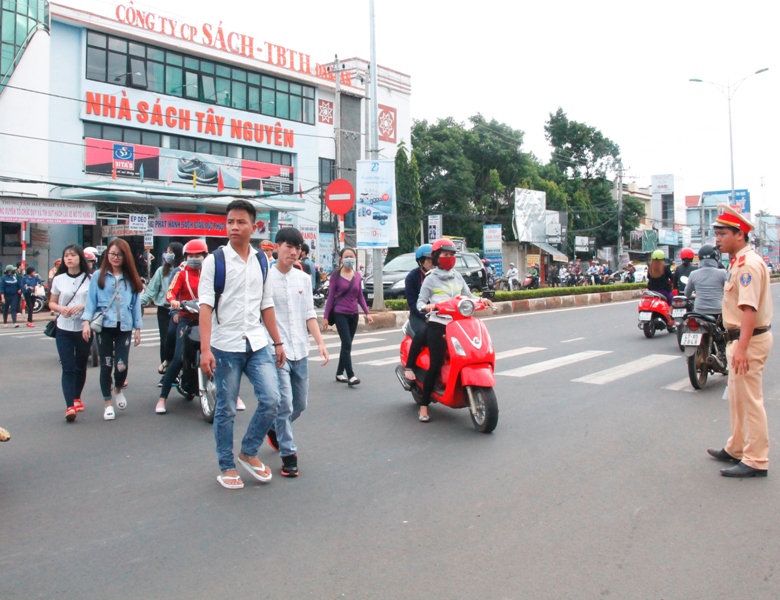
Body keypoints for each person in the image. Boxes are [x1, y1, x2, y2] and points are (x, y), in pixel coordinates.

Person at [199, 199, 287, 490]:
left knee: (272, 399)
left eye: (240, 222)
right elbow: (206, 306)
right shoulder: (215, 260)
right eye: (230, 222)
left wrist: (277, 342)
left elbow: (267, 304)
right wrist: (206, 348)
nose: (234, 227)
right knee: (226, 409)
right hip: (225, 346)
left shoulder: (262, 260)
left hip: (257, 342)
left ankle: (248, 451)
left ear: (253, 226)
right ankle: (226, 465)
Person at [707, 204, 773, 478]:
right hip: (741, 340)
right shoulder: (738, 262)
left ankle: (756, 459)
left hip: (750, 341)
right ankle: (736, 447)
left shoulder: (748, 265)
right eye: (717, 233)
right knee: (737, 398)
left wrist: (742, 348)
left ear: (740, 235)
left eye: (722, 233)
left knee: (750, 401)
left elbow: (749, 310)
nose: (717, 239)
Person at [265, 227, 329, 477]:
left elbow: (309, 314)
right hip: (275, 350)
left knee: (300, 404)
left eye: (297, 248)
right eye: (288, 247)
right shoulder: (265, 277)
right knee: (284, 404)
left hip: (300, 350)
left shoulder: (303, 278)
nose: (293, 252)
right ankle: (288, 454)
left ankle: (274, 429)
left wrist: (321, 343)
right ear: (276, 248)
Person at [416, 239, 494, 422]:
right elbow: (420, 302)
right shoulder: (430, 278)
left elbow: (468, 296)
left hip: (460, 323)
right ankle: (424, 406)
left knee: (472, 353)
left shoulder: (457, 276)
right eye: (445, 255)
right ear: (436, 257)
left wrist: (483, 300)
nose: (449, 258)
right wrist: (429, 307)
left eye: (451, 255)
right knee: (436, 364)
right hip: (438, 324)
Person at [81, 238, 144, 421]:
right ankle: (107, 403)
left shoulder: (130, 278)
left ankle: (117, 389)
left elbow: (135, 304)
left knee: (122, 365)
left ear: (126, 257)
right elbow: (90, 302)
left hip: (124, 327)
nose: (115, 258)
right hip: (104, 327)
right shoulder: (98, 276)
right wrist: (86, 322)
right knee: (106, 365)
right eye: (112, 254)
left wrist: (138, 328)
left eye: (119, 254)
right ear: (107, 255)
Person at [154, 240, 208, 414]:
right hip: (185, 318)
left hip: (206, 318)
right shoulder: (181, 273)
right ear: (185, 257)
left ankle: (233, 396)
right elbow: (170, 292)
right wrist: (174, 302)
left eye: (198, 256)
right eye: (191, 256)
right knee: (178, 358)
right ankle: (162, 398)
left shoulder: (210, 272)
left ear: (204, 257)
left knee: (221, 355)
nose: (194, 259)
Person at [49, 245, 92, 422]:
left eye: (73, 255)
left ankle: (76, 397)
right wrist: (61, 308)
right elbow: (51, 303)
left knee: (81, 365)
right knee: (67, 367)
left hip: (83, 328)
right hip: (63, 327)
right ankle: (69, 406)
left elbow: (96, 302)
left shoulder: (91, 279)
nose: (69, 258)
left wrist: (82, 307)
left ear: (80, 258)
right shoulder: (58, 279)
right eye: (66, 255)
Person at [322, 247, 373, 385]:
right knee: (346, 343)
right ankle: (351, 375)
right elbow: (331, 297)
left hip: (353, 314)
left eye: (352, 256)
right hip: (340, 313)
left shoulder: (357, 275)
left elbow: (360, 296)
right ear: (341, 259)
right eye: (346, 256)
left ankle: (339, 373)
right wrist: (326, 317)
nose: (349, 259)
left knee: (347, 345)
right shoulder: (336, 276)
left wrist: (367, 313)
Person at [140, 242, 183, 376]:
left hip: (183, 311)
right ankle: (166, 372)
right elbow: (151, 291)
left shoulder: (183, 270)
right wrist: (138, 303)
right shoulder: (161, 271)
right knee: (166, 340)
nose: (167, 255)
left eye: (170, 252)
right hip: (165, 310)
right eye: (166, 252)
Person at [403, 244, 433, 381]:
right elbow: (412, 303)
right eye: (427, 259)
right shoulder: (412, 277)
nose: (431, 262)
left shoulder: (440, 275)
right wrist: (424, 316)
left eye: (433, 259)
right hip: (419, 316)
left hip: (439, 315)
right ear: (420, 261)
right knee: (424, 331)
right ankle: (410, 366)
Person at [685, 244, 727, 316]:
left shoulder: (693, 274)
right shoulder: (723, 273)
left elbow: (687, 294)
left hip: (699, 311)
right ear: (716, 257)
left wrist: (696, 295)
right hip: (718, 310)